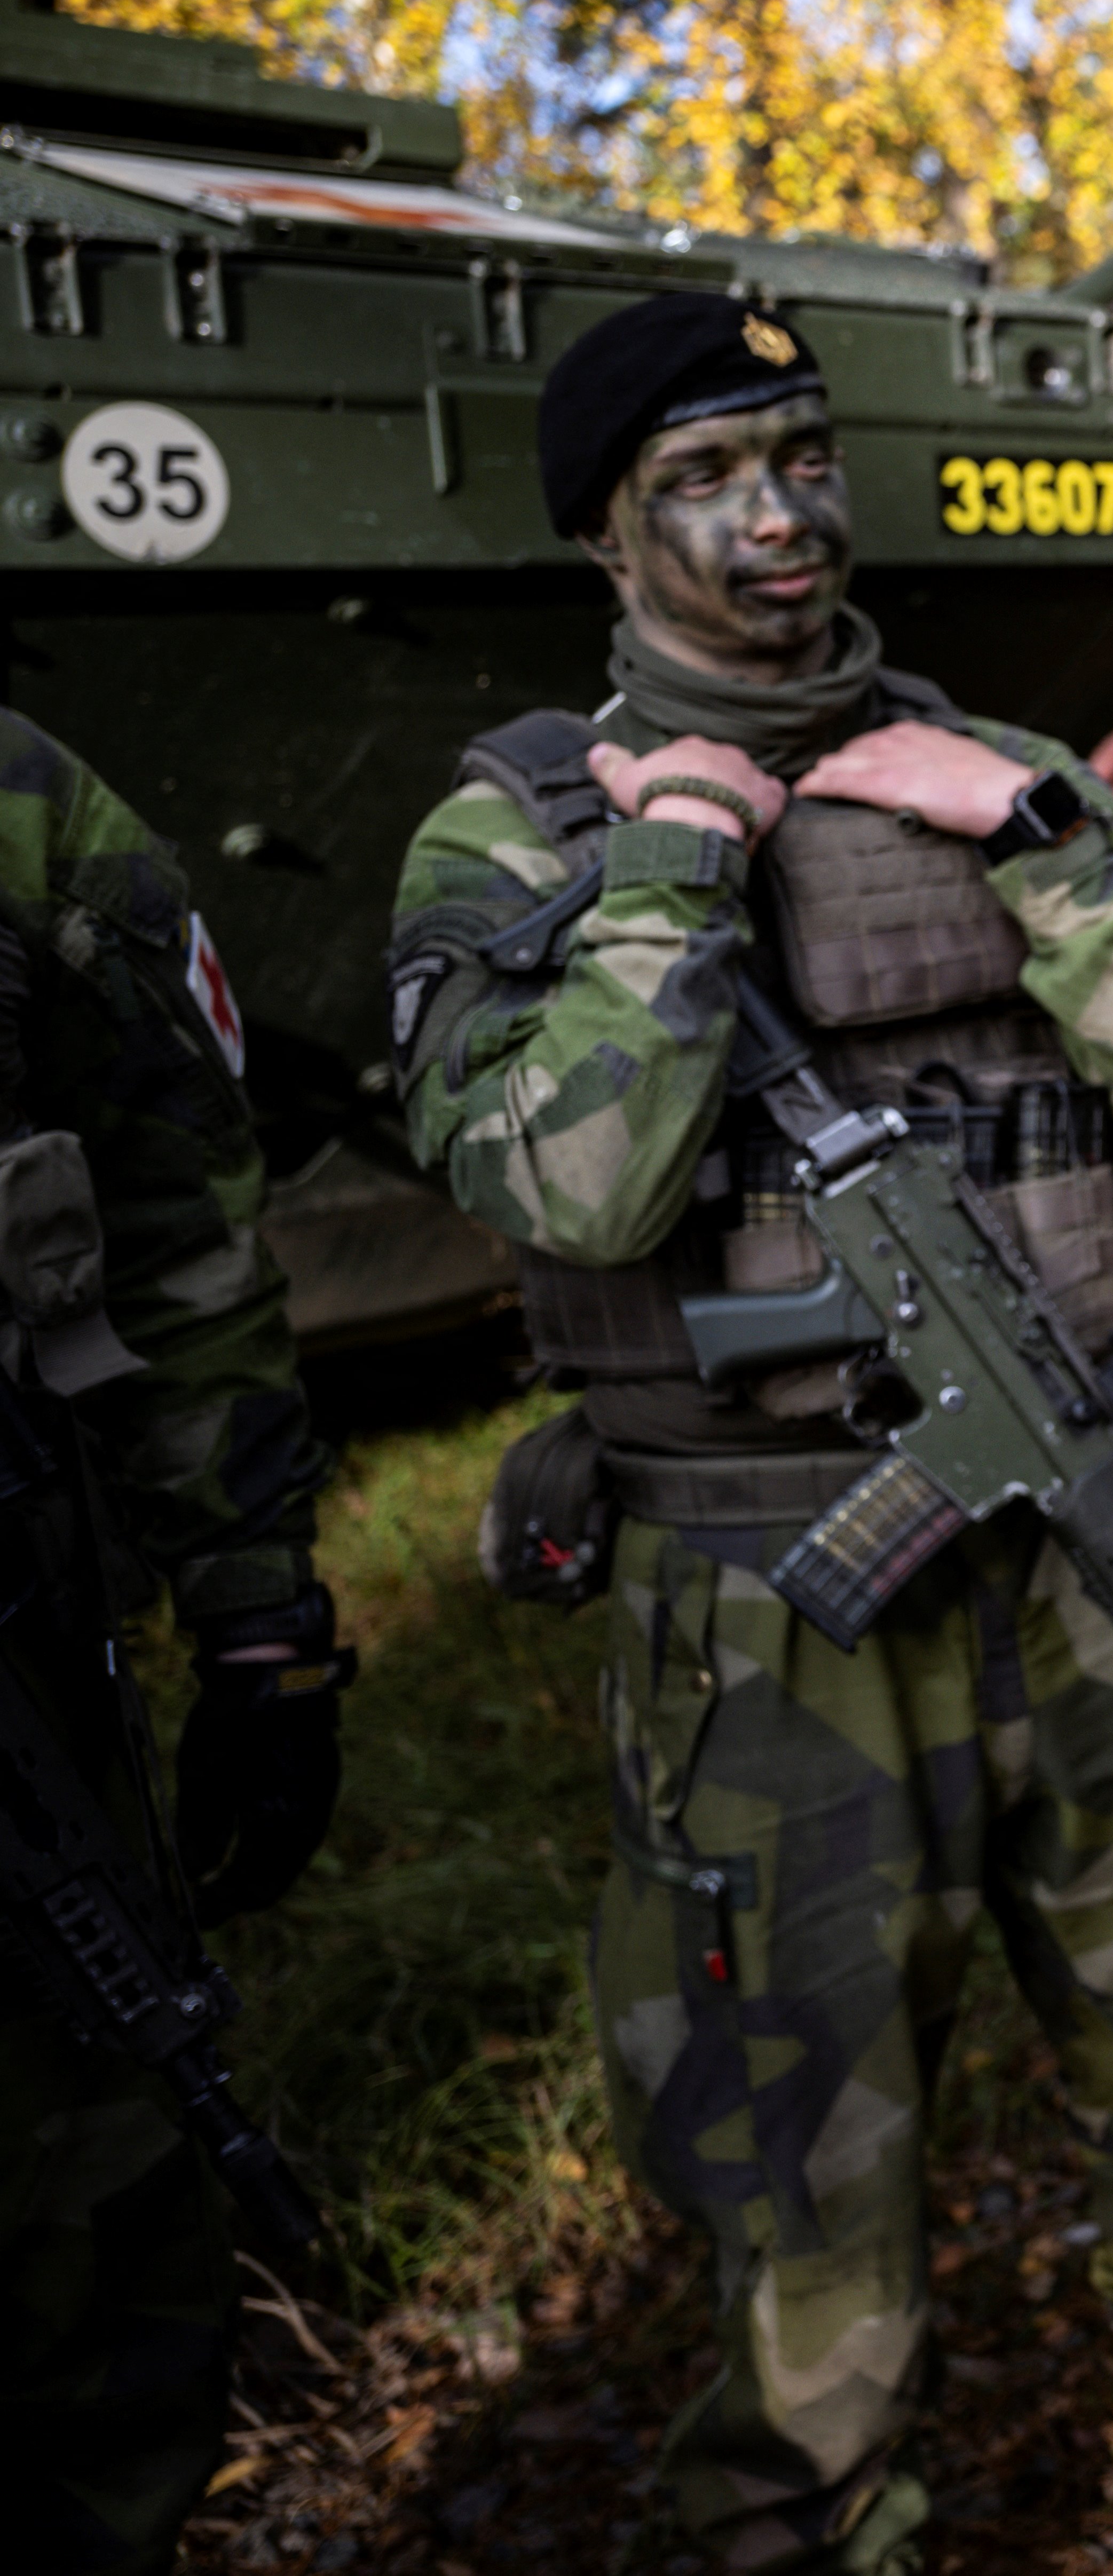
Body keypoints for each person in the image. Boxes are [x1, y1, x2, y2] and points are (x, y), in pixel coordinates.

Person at [382, 294, 1113, 2576]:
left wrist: (1041, 843)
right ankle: (814, 2528)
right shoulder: (518, 838)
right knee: (800, 2133)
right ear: (605, 535)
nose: (774, 515)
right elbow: (573, 1184)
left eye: (794, 456)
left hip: (1090, 1527)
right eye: (701, 478)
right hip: (777, 1586)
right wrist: (674, 875)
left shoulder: (995, 767)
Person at [0, 709, 344, 2574]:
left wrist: (262, 1627)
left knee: (97, 2263)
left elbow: (182, 1234)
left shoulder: (28, 810)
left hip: (24, 1684)